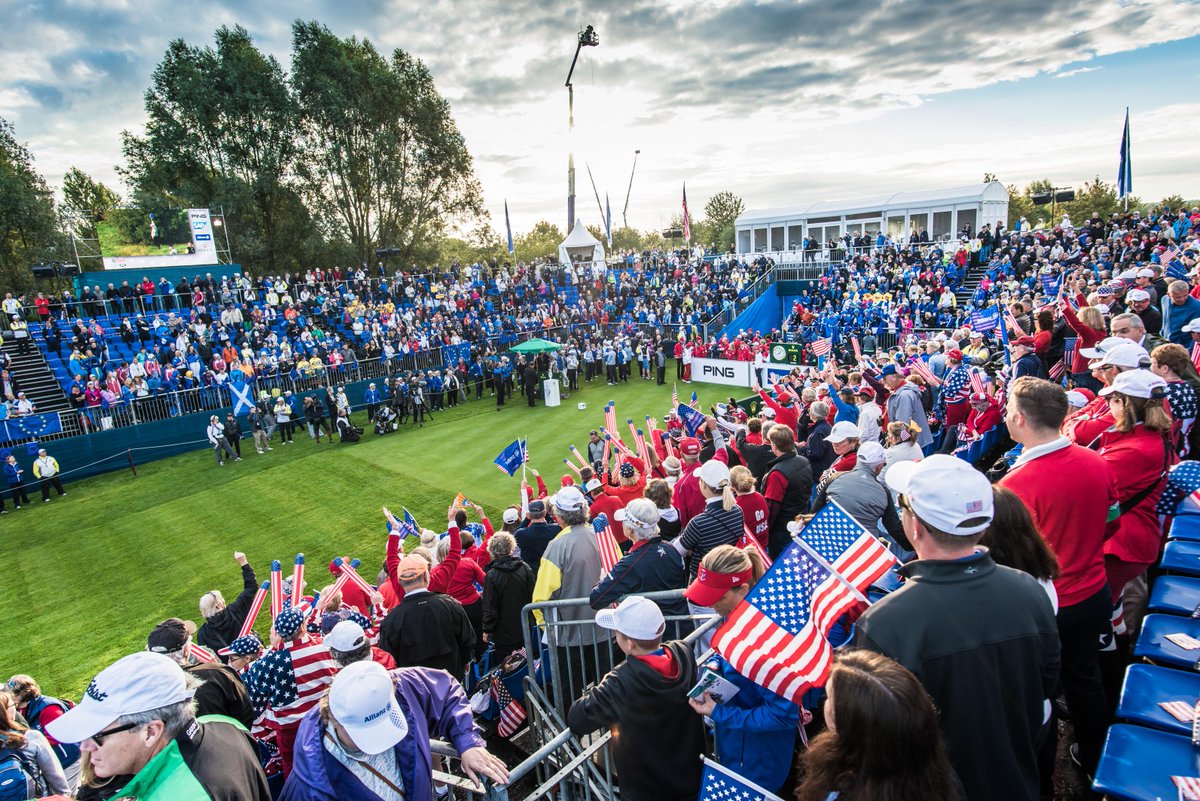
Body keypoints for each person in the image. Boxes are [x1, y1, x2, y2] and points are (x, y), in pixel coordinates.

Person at [854, 455, 1059, 801]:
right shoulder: (1030, 590)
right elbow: (1045, 690)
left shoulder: (884, 623)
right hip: (1017, 777)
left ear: (915, 526)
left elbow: (876, 742)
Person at [999, 377, 1117, 778]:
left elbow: (1012, 561)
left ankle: (1044, 775)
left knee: (1040, 695)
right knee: (1086, 682)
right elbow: (1111, 525)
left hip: (1047, 608)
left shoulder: (1015, 486)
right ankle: (1098, 763)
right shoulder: (1098, 461)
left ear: (1019, 418)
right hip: (1093, 591)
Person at [46, 651, 271, 801]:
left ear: (151, 732)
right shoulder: (220, 723)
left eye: (97, 735)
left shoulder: (182, 795)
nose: (84, 747)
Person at [281, 660, 509, 801]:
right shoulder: (308, 789)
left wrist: (467, 740)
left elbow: (447, 690)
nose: (381, 740)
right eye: (366, 733)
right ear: (334, 720)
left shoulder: (397, 685)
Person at [683, 545, 798, 793]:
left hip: (758, 764)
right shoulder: (737, 614)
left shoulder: (766, 640)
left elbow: (782, 715)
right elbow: (725, 650)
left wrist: (719, 713)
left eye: (718, 596)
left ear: (743, 590)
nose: (710, 603)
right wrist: (715, 665)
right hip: (736, 748)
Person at [568, 596, 704, 801]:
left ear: (630, 644)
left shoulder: (620, 682)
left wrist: (605, 683)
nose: (615, 636)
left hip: (646, 790)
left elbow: (577, 718)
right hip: (691, 778)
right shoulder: (682, 651)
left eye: (618, 633)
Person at [794, 651, 962, 801]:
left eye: (830, 697)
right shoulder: (932, 771)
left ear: (856, 728)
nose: (826, 703)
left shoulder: (853, 791)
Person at [1096, 369, 1176, 639]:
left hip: (1121, 545)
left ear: (1124, 403)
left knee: (1101, 619)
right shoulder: (1144, 439)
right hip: (1127, 537)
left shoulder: (1135, 450)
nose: (1108, 405)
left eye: (1113, 399)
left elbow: (1089, 485)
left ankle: (1111, 666)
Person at [531, 485, 614, 694]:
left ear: (559, 516)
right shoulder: (603, 535)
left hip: (570, 636)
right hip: (606, 629)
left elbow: (541, 599)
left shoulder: (557, 546)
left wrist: (548, 629)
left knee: (571, 691)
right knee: (608, 687)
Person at [242, 608, 339, 777]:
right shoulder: (324, 647)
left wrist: (273, 648)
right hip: (324, 718)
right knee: (330, 759)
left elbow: (252, 684)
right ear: (302, 627)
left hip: (290, 729)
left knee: (294, 769)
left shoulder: (270, 661)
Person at [590, 499, 690, 635]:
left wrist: (603, 579)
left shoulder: (631, 563)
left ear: (630, 529)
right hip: (682, 629)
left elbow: (596, 599)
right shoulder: (671, 550)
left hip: (653, 636)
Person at [379, 547, 476, 680]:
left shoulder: (391, 620)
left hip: (417, 689)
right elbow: (468, 641)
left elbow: (389, 659)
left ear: (400, 582)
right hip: (451, 681)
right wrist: (463, 662)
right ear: (426, 576)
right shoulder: (450, 605)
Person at [146, 618, 256, 729]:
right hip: (234, 740)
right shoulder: (219, 673)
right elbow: (245, 712)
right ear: (187, 650)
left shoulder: (148, 692)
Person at [812, 441, 906, 547]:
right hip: (864, 550)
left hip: (832, 544)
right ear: (879, 466)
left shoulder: (835, 478)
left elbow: (814, 513)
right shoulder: (883, 493)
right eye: (884, 464)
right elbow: (895, 530)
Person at [6, 674, 81, 792]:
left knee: (68, 795)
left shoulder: (48, 707)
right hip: (50, 762)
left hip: (68, 759)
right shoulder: (19, 710)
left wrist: (29, 745)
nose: (6, 697)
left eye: (9, 694)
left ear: (21, 694)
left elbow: (57, 735)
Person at [676, 459, 744, 584]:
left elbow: (677, 551)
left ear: (704, 485)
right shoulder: (737, 510)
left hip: (704, 583)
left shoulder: (698, 523)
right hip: (729, 576)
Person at [0, 687, 71, 797]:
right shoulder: (30, 738)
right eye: (12, 705)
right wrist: (65, 797)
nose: (15, 708)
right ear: (5, 712)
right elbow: (57, 778)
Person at [480, 532, 534, 663]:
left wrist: (487, 629)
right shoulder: (524, 567)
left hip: (506, 632)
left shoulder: (492, 575)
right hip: (524, 626)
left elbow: (490, 605)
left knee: (508, 666)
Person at [761, 425, 813, 558]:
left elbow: (771, 508)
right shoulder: (803, 461)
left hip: (782, 531)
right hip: (799, 521)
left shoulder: (778, 474)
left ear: (774, 445)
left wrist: (766, 532)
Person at [196, 551, 260, 657]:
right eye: (221, 599)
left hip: (233, 670)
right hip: (254, 656)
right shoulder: (235, 610)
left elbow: (208, 657)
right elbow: (251, 586)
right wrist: (243, 561)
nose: (224, 601)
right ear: (217, 605)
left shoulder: (203, 633)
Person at [512, 500, 558, 581]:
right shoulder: (555, 529)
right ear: (545, 513)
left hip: (533, 575)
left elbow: (516, 534)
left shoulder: (522, 534)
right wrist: (547, 515)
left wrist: (527, 519)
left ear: (529, 514)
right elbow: (554, 524)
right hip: (552, 572)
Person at [729, 465, 769, 553]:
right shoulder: (760, 497)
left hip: (749, 551)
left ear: (731, 485)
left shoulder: (736, 507)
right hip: (763, 547)